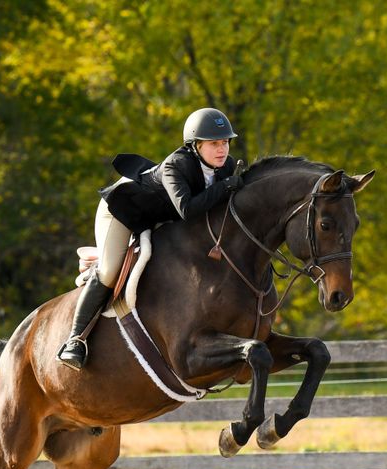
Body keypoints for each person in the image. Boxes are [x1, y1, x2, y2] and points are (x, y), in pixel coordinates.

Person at [56, 107, 245, 370]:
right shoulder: (175, 165)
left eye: (225, 142)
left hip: (156, 219)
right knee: (110, 270)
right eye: (214, 143)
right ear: (195, 145)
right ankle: (74, 340)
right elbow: (188, 210)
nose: (222, 149)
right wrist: (226, 188)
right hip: (121, 212)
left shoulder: (224, 168)